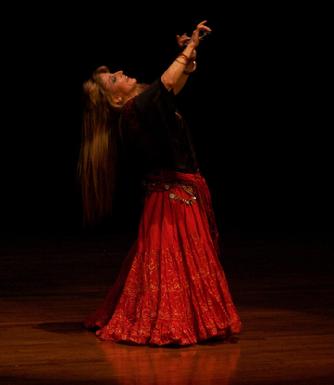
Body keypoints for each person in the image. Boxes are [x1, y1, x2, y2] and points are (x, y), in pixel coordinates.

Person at [78, 20, 242, 346]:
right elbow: (166, 83)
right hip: (172, 200)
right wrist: (190, 48)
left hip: (177, 194)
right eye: (114, 78)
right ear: (114, 100)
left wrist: (188, 56)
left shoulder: (144, 107)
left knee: (184, 262)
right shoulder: (136, 110)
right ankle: (175, 323)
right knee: (173, 264)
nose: (122, 72)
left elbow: (173, 84)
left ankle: (195, 321)